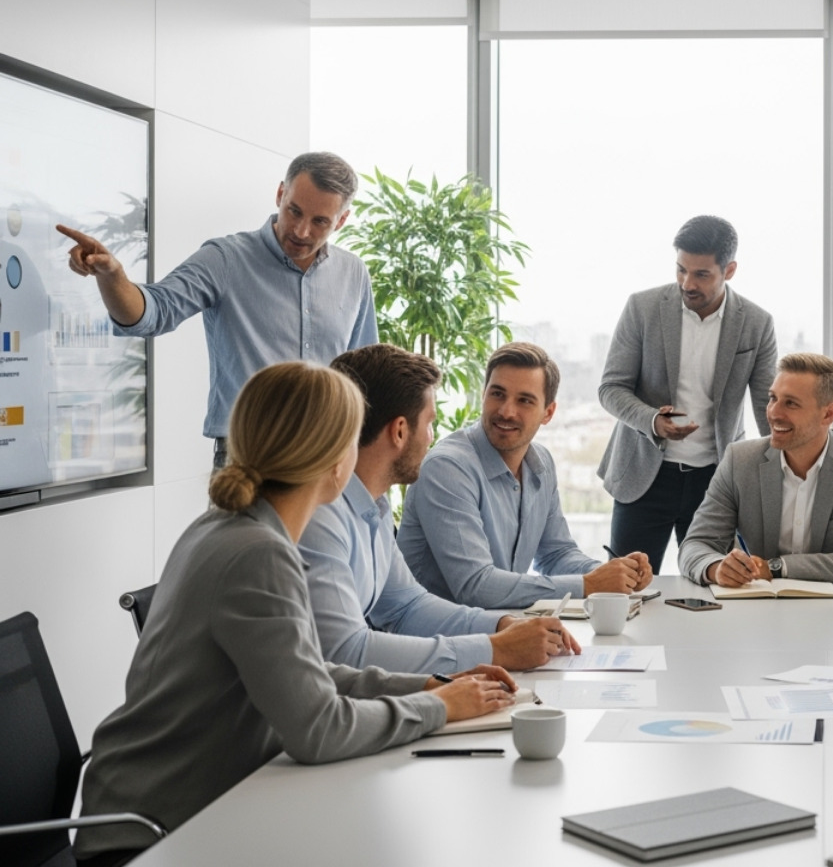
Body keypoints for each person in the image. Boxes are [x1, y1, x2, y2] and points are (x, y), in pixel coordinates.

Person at [74, 362, 513, 866]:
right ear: (333, 459)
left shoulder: (228, 527)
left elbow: (308, 673)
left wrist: (428, 686)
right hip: (154, 835)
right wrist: (442, 708)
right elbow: (318, 729)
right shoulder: (257, 551)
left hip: (190, 806)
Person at [56, 152, 377, 467]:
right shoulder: (226, 258)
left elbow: (363, 377)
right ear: (280, 193)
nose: (301, 231)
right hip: (249, 453)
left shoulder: (353, 274)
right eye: (294, 211)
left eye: (320, 221)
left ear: (342, 220)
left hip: (329, 455)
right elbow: (154, 311)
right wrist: (113, 277)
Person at [299, 344, 578, 674]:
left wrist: (503, 625)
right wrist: (493, 649)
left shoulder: (373, 505)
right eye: (430, 423)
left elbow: (407, 605)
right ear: (400, 431)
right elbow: (345, 650)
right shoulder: (320, 515)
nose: (432, 438)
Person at [398, 342, 652, 608]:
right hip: (434, 638)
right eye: (497, 394)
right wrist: (590, 584)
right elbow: (475, 586)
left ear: (548, 413)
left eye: (524, 400)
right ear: (483, 395)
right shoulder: (447, 468)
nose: (507, 411)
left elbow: (556, 555)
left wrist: (616, 573)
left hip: (496, 629)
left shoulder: (541, 462)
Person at [597, 215, 777, 569]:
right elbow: (611, 388)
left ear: (730, 270)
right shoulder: (642, 308)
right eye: (681, 270)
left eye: (701, 274)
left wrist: (787, 474)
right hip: (643, 477)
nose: (687, 283)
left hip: (715, 482)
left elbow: (767, 409)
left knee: (717, 593)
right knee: (627, 588)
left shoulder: (757, 323)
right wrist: (652, 420)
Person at [677, 353, 833, 586]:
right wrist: (715, 568)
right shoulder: (739, 461)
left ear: (828, 414)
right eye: (773, 398)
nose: (774, 413)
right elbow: (695, 545)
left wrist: (777, 568)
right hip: (759, 608)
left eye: (790, 403)